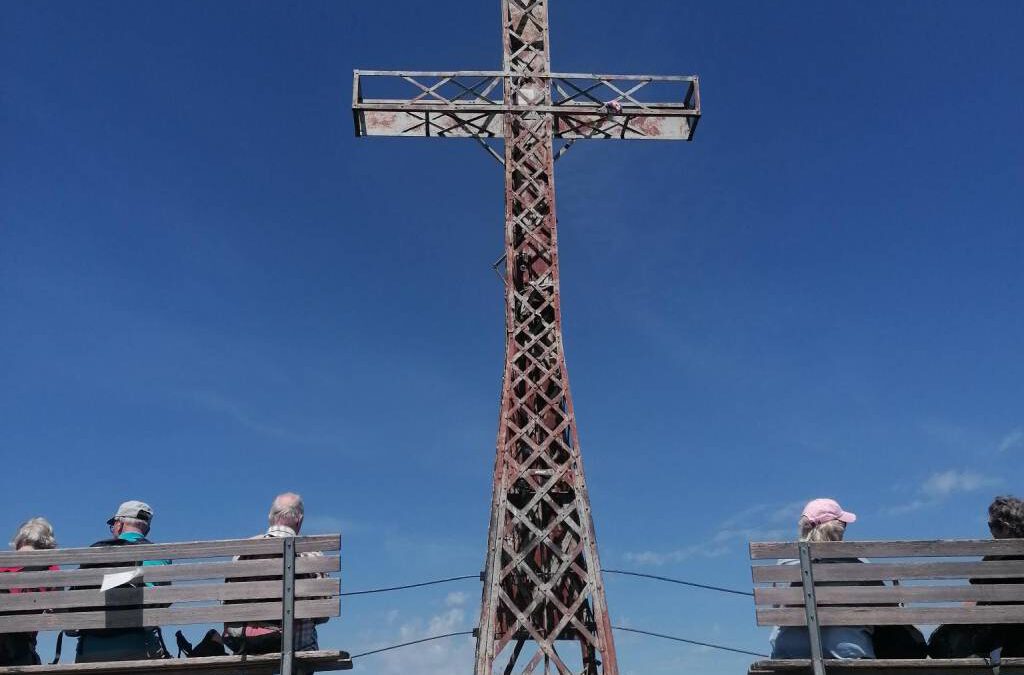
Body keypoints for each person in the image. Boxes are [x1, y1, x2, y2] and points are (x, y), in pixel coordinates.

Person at [769, 498, 877, 659]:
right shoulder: (858, 563)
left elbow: (777, 607)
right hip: (848, 652)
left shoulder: (784, 564)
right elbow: (885, 608)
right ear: (836, 529)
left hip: (789, 652)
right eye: (843, 524)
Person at [223, 493, 328, 654]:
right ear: (299, 520)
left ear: (270, 518)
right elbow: (323, 614)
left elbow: (227, 606)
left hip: (249, 645)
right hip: (297, 647)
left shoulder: (242, 553)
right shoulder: (311, 554)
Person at [73, 500, 171, 663]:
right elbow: (165, 603)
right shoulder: (159, 556)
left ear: (119, 524)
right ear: (146, 529)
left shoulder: (93, 555)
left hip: (90, 651)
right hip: (141, 648)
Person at [929, 495, 1024, 658]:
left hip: (1004, 645)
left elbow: (975, 594)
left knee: (941, 644)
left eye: (991, 526)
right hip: (1014, 642)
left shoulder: (995, 564)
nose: (991, 533)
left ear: (1005, 528)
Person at [0, 518, 59, 666]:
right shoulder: (53, 572)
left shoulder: (2, 568)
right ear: (47, 544)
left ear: (19, 541)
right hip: (20, 654)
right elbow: (60, 615)